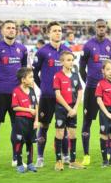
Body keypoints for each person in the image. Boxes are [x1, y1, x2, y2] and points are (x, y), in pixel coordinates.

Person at [0, 20, 28, 170]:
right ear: (2, 31)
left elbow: (24, 72)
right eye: (8, 28)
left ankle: (16, 157)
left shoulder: (22, 49)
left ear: (16, 31)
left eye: (13, 28)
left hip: (17, 95)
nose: (11, 30)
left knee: (17, 127)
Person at [79, 19, 111, 166]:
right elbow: (82, 67)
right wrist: (89, 82)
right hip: (91, 89)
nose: (101, 29)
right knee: (87, 121)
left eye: (103, 26)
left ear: (106, 28)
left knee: (109, 121)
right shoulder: (88, 45)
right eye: (99, 27)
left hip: (108, 90)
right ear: (95, 28)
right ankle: (87, 154)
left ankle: (109, 153)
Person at [32, 22, 71, 167]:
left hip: (64, 97)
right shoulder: (42, 52)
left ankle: (65, 155)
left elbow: (70, 73)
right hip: (47, 96)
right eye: (54, 31)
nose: (58, 33)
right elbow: (34, 72)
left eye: (60, 31)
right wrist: (43, 85)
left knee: (64, 127)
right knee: (44, 126)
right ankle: (40, 157)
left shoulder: (67, 51)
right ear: (49, 33)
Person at [52, 51, 85, 171]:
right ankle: (58, 161)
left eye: (72, 60)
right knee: (59, 133)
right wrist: (69, 108)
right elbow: (57, 95)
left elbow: (80, 92)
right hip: (61, 108)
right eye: (68, 60)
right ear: (62, 62)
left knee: (72, 134)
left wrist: (75, 108)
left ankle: (72, 161)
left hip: (73, 109)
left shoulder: (76, 75)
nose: (71, 62)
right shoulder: (58, 76)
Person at [11, 67, 39, 173]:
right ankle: (19, 163)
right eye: (30, 77)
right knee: (19, 142)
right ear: (23, 79)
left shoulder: (31, 90)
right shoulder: (16, 91)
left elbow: (36, 106)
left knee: (29, 142)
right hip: (20, 120)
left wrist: (36, 120)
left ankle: (30, 163)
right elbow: (15, 107)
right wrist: (28, 110)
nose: (33, 79)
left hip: (31, 121)